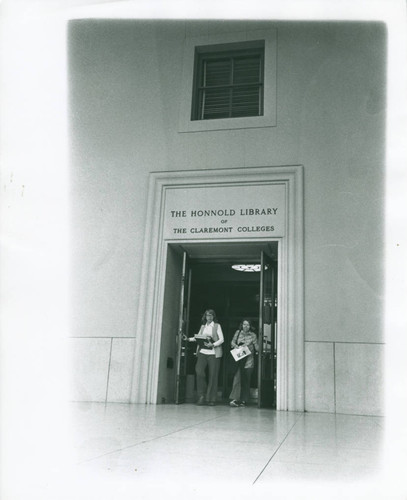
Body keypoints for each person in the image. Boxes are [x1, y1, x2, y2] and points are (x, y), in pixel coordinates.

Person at [186, 309, 224, 406]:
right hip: (202, 352)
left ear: (213, 317)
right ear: (205, 317)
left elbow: (222, 339)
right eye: (207, 315)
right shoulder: (203, 326)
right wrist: (188, 339)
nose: (209, 317)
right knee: (199, 372)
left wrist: (213, 344)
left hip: (213, 353)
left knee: (213, 375)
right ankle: (201, 396)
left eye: (211, 315)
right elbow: (198, 337)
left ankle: (211, 399)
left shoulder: (217, 326)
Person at [229, 319, 258, 407]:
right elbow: (232, 342)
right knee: (237, 379)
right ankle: (234, 399)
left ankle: (243, 400)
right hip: (239, 359)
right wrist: (236, 346)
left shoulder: (253, 335)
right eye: (244, 324)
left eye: (248, 325)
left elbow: (257, 348)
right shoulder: (238, 332)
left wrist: (253, 345)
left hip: (249, 360)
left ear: (250, 326)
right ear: (242, 325)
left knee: (246, 380)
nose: (246, 326)